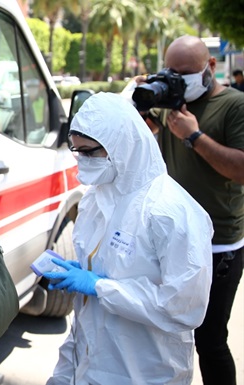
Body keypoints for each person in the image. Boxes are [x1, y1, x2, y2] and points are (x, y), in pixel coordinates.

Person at [44, 92, 213, 385]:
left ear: (121, 146)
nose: (81, 160)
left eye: (89, 152)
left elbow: (184, 307)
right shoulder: (95, 199)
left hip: (147, 371)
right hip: (89, 367)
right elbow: (85, 313)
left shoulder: (171, 212)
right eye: (76, 150)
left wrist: (101, 287)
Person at [141, 35, 244, 385]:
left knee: (210, 341)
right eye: (171, 71)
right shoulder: (171, 102)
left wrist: (194, 136)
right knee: (167, 331)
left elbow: (241, 169)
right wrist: (138, 103)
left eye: (186, 72)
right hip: (171, 238)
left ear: (210, 67)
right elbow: (140, 134)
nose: (178, 78)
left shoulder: (234, 105)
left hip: (218, 246)